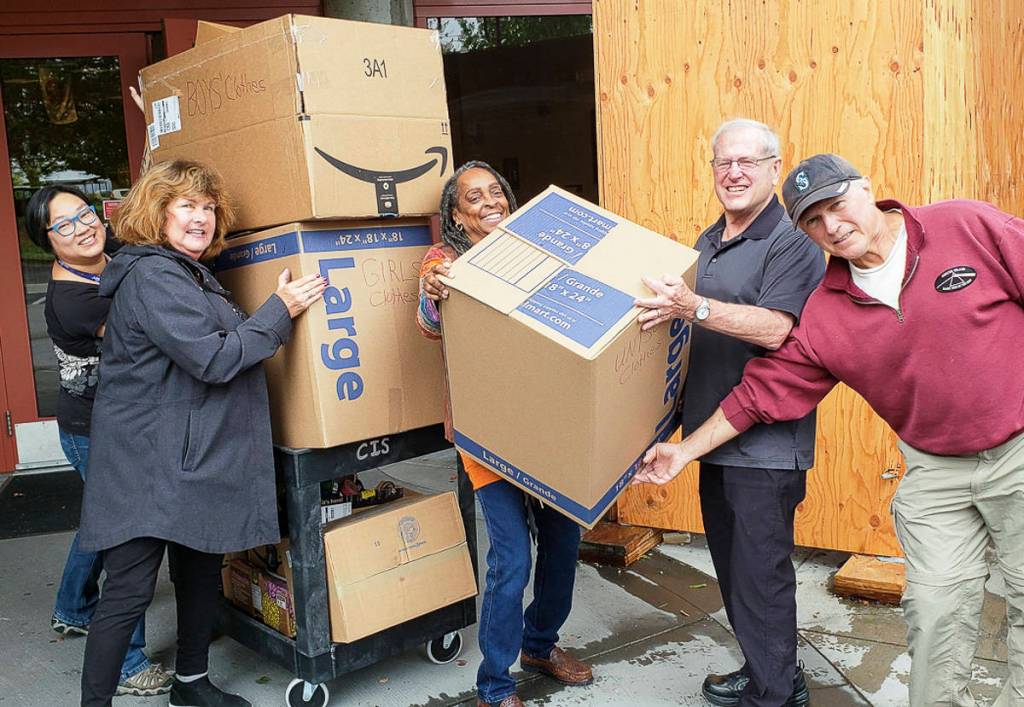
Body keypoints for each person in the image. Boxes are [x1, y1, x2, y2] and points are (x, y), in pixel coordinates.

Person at [635, 153, 1024, 707]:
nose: (831, 226)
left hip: (1018, 449)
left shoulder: (964, 226)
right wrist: (683, 451)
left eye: (837, 205)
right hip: (936, 470)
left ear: (866, 189)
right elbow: (760, 394)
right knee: (936, 611)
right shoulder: (827, 312)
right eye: (812, 221)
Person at [75, 160, 326, 707]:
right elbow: (213, 357)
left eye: (209, 208)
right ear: (156, 211)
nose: (202, 218)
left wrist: (266, 312)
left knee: (197, 569)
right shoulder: (153, 275)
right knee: (127, 592)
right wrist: (279, 311)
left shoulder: (187, 272)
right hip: (145, 459)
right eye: (187, 205)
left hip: (184, 451)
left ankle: (190, 683)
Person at [635, 119, 824, 707]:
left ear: (775, 169)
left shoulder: (792, 243)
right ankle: (770, 669)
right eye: (723, 163)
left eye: (749, 162)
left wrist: (693, 306)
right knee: (735, 572)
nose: (734, 173)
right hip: (711, 438)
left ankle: (773, 696)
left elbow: (776, 328)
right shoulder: (707, 241)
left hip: (765, 445)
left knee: (761, 577)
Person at [419, 161, 592, 707]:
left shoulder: (538, 251)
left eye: (496, 192)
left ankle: (541, 643)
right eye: (474, 196)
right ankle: (495, 684)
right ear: (455, 213)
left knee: (563, 544)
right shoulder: (443, 261)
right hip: (487, 436)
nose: (489, 201)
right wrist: (433, 292)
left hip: (547, 428)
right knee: (512, 559)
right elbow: (428, 321)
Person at [24, 186, 174, 698]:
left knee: (99, 521)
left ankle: (71, 607)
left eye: (84, 214)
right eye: (63, 225)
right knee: (125, 540)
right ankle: (130, 665)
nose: (82, 227)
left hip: (107, 421)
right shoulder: (73, 298)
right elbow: (146, 330)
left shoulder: (107, 257)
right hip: (96, 431)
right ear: (46, 241)